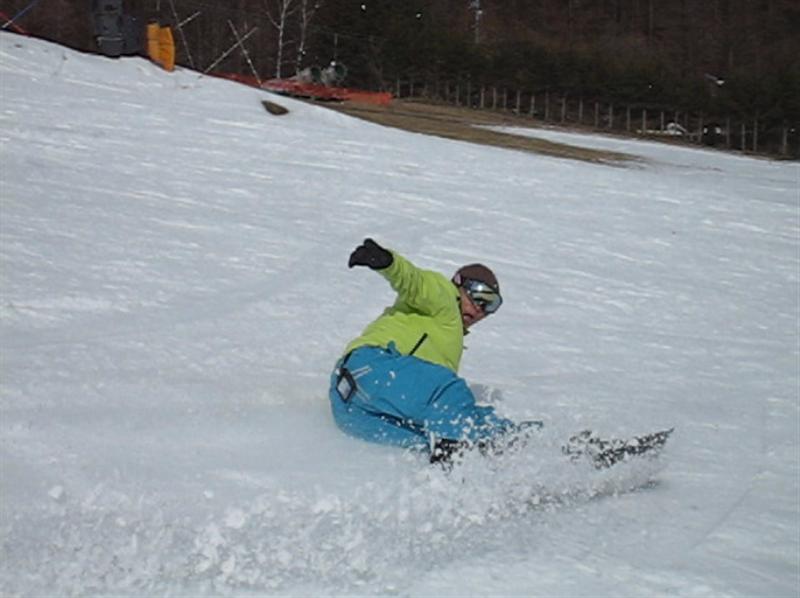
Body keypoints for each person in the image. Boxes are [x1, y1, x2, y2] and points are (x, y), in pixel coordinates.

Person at [328, 238, 539, 464]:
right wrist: (388, 262)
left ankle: (534, 445)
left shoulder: (447, 343)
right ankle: (455, 475)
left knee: (452, 431)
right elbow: (415, 282)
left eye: (491, 305)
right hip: (372, 368)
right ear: (458, 284)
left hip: (353, 409)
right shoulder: (445, 298)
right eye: (478, 296)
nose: (480, 309)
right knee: (450, 394)